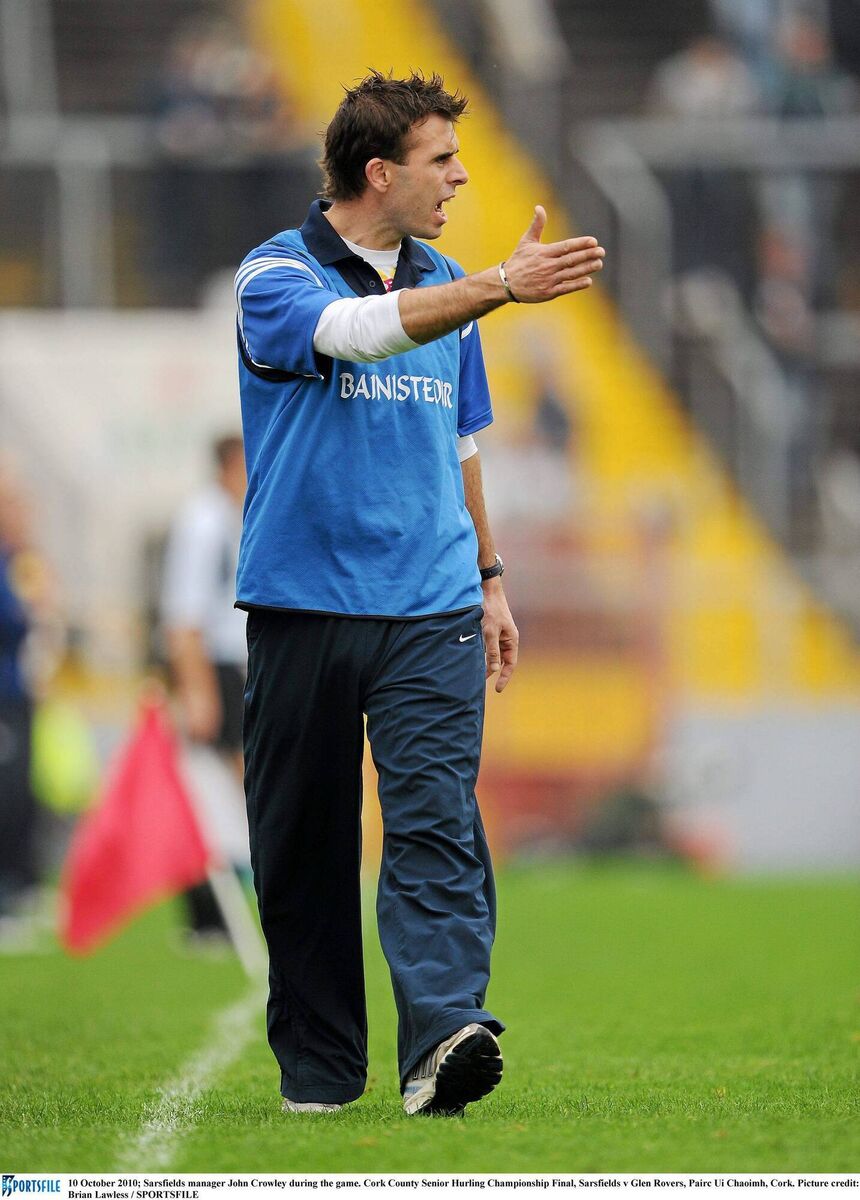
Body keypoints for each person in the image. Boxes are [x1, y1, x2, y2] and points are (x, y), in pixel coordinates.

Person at [235, 70, 604, 1116]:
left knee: (436, 822)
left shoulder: (452, 282)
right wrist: (498, 283)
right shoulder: (272, 276)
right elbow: (357, 334)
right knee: (302, 845)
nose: (461, 176)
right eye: (442, 160)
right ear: (379, 172)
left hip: (430, 605)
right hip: (302, 601)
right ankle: (319, 1071)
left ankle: (443, 1040)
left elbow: (459, 439)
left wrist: (490, 578)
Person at [160, 434, 249, 943]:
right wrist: (198, 691)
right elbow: (184, 615)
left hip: (231, 665)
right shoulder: (203, 521)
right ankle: (206, 913)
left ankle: (222, 909)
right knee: (211, 791)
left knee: (231, 789)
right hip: (213, 668)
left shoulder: (230, 517)